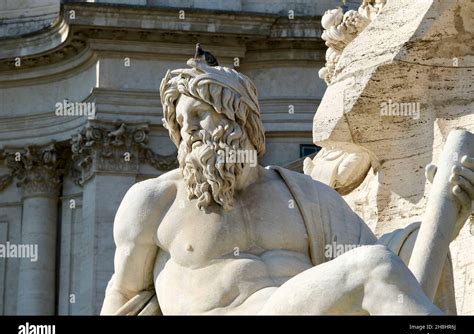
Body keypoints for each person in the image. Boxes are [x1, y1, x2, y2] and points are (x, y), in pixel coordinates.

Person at [101, 51, 473, 315]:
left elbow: (381, 259)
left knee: (376, 267)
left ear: (238, 117)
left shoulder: (303, 194)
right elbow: (124, 296)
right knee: (371, 268)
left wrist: (444, 223)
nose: (189, 130)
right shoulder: (155, 200)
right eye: (181, 124)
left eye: (199, 114)